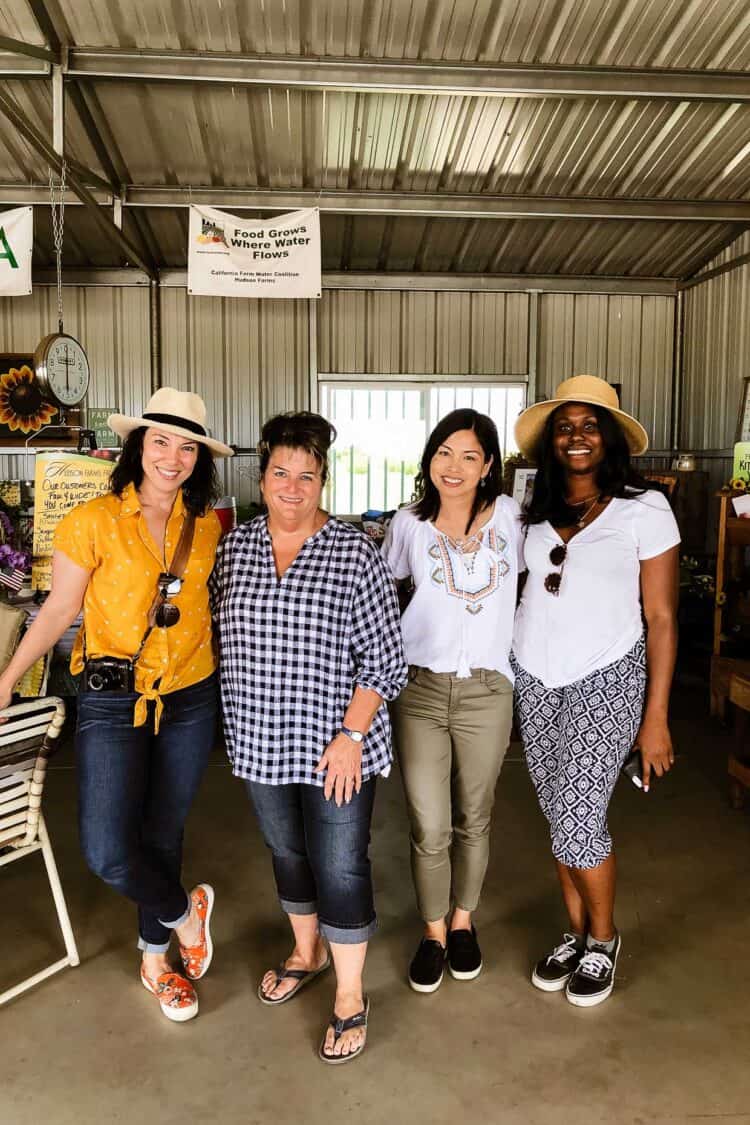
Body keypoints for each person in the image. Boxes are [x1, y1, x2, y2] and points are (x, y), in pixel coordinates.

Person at [0, 388, 233, 1023]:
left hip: (189, 694)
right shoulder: (93, 520)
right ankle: (187, 915)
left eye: (187, 446)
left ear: (198, 459)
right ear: (137, 446)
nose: (173, 456)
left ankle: (155, 961)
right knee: (106, 848)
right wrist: (7, 679)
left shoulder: (207, 526)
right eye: (161, 440)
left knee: (163, 832)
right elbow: (58, 610)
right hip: (110, 696)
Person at [211, 411, 406, 1065]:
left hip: (336, 744)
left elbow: (385, 658)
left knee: (341, 862)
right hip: (262, 738)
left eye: (307, 475)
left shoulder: (354, 551)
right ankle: (307, 950)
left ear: (324, 480)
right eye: (280, 473)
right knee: (286, 849)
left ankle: (350, 995)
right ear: (261, 475)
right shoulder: (235, 546)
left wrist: (352, 733)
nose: (292, 487)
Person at [511, 374, 680, 1007]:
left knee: (581, 819)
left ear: (608, 437)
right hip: (535, 675)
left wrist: (655, 717)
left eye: (589, 425)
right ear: (551, 441)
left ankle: (603, 940)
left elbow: (661, 617)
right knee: (560, 817)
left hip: (607, 675)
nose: (576, 436)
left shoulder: (646, 507)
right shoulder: (535, 507)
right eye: (564, 426)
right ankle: (574, 932)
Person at [381, 409, 522, 993]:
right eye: (444, 452)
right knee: (429, 823)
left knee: (475, 816)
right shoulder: (408, 524)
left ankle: (464, 923)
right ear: (429, 459)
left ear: (488, 464)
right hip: (419, 690)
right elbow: (385, 590)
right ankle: (434, 932)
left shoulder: (512, 517)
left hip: (488, 691)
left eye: (469, 455)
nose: (455, 466)